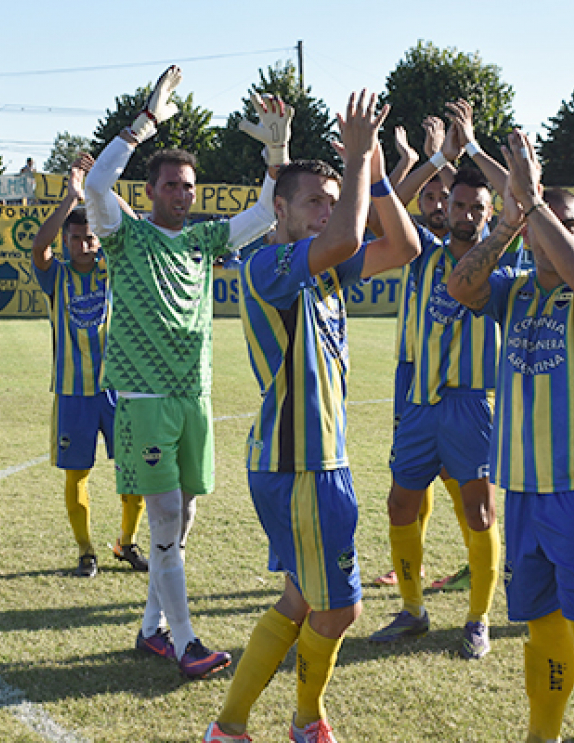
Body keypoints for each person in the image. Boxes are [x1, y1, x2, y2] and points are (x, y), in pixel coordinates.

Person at [204, 89, 420, 743]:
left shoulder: (320, 272)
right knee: (341, 607)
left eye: (330, 200)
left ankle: (239, 724)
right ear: (280, 210)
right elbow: (353, 234)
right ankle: (297, 720)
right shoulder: (268, 264)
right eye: (312, 202)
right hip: (301, 465)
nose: (326, 210)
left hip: (317, 461)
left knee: (303, 599)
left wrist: (376, 172)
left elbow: (403, 244)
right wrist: (355, 159)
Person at [83, 67, 281, 679]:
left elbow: (267, 214)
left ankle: (150, 629)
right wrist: (147, 121)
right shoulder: (125, 236)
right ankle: (186, 642)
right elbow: (95, 181)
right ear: (149, 192)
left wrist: (277, 152)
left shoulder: (205, 240)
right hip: (143, 399)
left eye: (188, 187)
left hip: (194, 397)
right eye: (171, 186)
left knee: (184, 515)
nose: (183, 194)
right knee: (166, 515)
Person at [450, 130, 574, 743]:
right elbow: (461, 287)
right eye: (544, 221)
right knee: (543, 633)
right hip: (523, 495)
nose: (554, 229)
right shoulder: (516, 291)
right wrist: (508, 224)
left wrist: (530, 204)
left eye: (569, 222)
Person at [370, 99, 504, 661]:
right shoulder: (422, 253)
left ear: (489, 213)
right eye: (458, 202)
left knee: (476, 511)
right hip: (419, 404)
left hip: (471, 405)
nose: (466, 212)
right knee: (401, 505)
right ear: (445, 204)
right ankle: (413, 610)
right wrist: (435, 159)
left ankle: (478, 619)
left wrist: (471, 150)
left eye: (478, 206)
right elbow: (386, 208)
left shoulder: (502, 256)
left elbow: (526, 201)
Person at [31, 153, 148, 577]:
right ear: (67, 241)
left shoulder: (112, 267)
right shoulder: (55, 275)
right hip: (72, 394)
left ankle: (128, 542)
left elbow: (138, 231)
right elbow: (37, 248)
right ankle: (86, 551)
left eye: (91, 236)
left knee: (132, 473)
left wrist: (101, 188)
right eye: (76, 237)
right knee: (76, 475)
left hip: (117, 388)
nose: (85, 244)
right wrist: (71, 198)